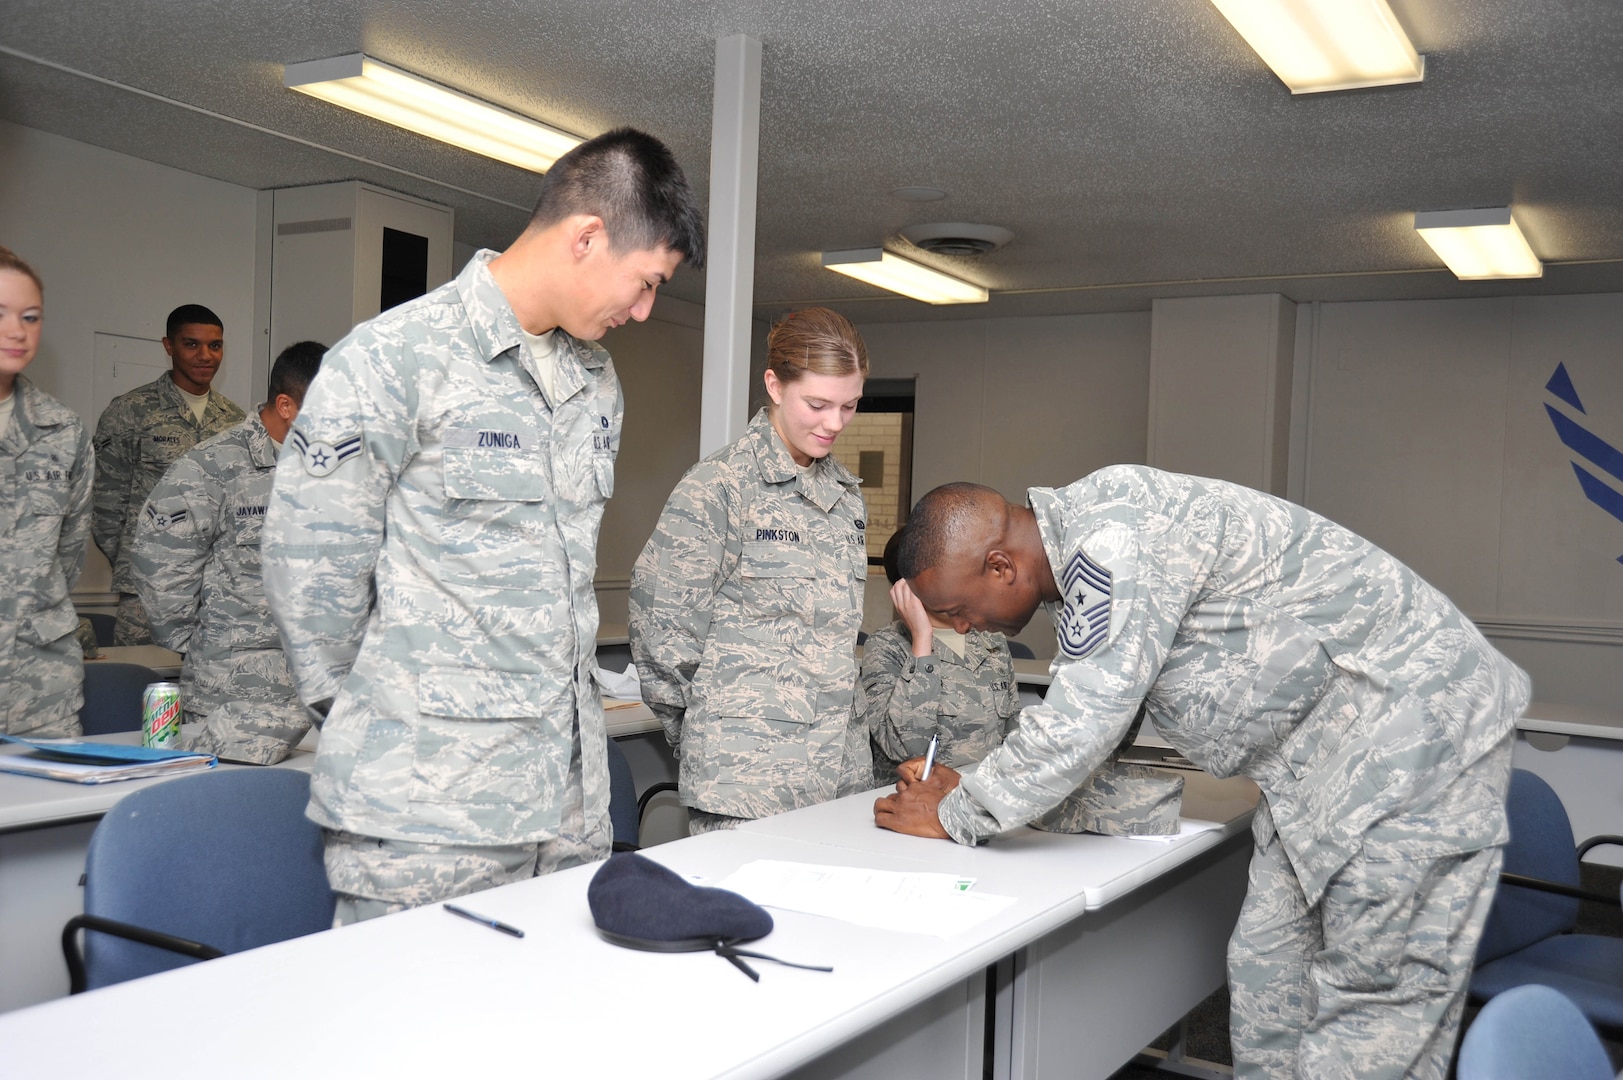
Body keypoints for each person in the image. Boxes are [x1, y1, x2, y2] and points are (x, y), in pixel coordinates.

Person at [874, 468, 1530, 1080]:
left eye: (956, 609)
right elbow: (1099, 718)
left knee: (1372, 1002)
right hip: (1313, 771)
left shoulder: (1112, 538)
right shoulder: (1077, 560)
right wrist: (980, 788)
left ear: (998, 565)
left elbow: (1085, 719)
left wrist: (955, 815)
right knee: (1269, 978)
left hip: (1413, 753)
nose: (960, 627)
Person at [263, 128, 704, 924]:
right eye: (643, 283)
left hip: (563, 811)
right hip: (428, 814)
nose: (642, 311)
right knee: (406, 1040)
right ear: (586, 237)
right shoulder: (395, 357)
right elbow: (309, 573)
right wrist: (385, 717)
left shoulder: (593, 381)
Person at [629, 306, 873, 834]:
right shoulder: (719, 487)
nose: (834, 423)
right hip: (746, 782)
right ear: (775, 385)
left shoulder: (848, 500)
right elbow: (661, 633)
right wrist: (709, 735)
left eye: (849, 406)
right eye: (818, 404)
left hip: (840, 777)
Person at [130, 341, 326, 764]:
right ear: (287, 405)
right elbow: (157, 564)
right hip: (236, 696)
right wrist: (204, 643)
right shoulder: (212, 465)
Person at [92, 304, 244, 645]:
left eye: (215, 345)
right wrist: (142, 562)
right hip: (147, 591)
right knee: (144, 688)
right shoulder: (130, 412)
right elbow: (105, 507)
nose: (205, 355)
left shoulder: (235, 420)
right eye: (192, 344)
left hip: (216, 591)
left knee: (208, 690)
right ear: (169, 346)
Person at [0, 246, 94, 737]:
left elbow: (67, 556)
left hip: (41, 692)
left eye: (30, 316)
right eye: (0, 313)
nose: (17, 330)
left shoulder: (63, 430)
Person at [861, 527, 1018, 785]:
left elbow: (1013, 736)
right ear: (909, 585)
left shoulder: (991, 641)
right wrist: (922, 639)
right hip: (915, 804)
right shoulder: (886, 646)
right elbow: (904, 748)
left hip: (981, 800)